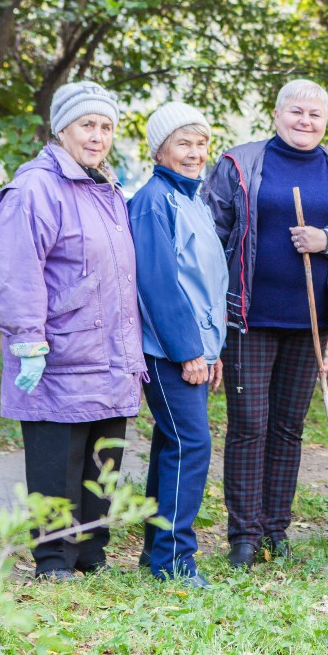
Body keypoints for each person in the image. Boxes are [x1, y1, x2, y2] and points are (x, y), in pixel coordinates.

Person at [204, 79, 328, 568]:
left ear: (326, 120)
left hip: (312, 320)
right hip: (250, 318)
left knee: (287, 428)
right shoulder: (240, 162)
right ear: (277, 114)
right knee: (249, 426)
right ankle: (243, 535)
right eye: (296, 112)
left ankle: (275, 531)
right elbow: (213, 234)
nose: (306, 121)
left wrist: (326, 240)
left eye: (315, 114)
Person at [0, 81, 144, 581]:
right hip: (60, 355)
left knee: (102, 462)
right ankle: (54, 560)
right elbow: (14, 269)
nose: (97, 136)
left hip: (110, 356)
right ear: (61, 128)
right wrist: (27, 339)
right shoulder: (35, 188)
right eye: (87, 125)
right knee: (58, 463)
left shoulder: (107, 188)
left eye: (105, 126)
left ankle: (91, 554)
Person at [128, 102, 227, 587]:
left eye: (200, 143)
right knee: (192, 444)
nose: (194, 153)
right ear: (159, 150)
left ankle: (155, 553)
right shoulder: (153, 200)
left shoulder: (193, 198)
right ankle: (174, 560)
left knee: (174, 443)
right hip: (168, 350)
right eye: (183, 144)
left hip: (193, 347)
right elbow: (159, 284)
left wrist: (212, 350)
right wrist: (190, 350)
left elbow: (203, 281)